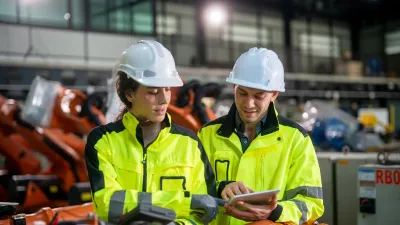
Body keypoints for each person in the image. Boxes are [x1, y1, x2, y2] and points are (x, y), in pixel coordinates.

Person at [84, 40, 218, 225]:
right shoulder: (103, 141)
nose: (164, 99)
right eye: (154, 91)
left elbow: (206, 213)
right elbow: (108, 205)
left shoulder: (190, 144)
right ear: (129, 94)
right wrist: (185, 202)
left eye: (167, 89)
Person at [198, 47, 324, 225]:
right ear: (234, 87)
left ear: (274, 94)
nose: (249, 103)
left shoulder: (296, 139)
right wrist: (221, 187)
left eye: (259, 96)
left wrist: (275, 212)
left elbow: (311, 204)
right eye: (242, 93)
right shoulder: (207, 134)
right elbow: (190, 191)